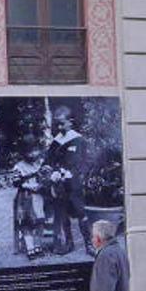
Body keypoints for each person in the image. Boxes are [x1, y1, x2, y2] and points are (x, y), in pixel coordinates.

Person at [46, 106, 93, 256]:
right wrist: (52, 172)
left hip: (74, 184)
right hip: (59, 185)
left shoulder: (78, 140)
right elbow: (48, 161)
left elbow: (85, 163)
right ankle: (69, 243)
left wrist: (73, 174)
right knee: (63, 214)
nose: (59, 127)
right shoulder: (56, 141)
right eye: (57, 124)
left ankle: (89, 244)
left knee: (80, 213)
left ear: (70, 122)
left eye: (62, 123)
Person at [12, 136, 48, 259]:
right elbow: (16, 183)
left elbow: (45, 178)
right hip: (25, 197)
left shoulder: (40, 164)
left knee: (39, 221)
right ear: (24, 152)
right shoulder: (19, 166)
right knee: (27, 222)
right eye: (30, 151)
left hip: (39, 196)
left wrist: (43, 183)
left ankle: (38, 246)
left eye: (35, 150)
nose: (33, 154)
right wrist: (28, 185)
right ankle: (30, 248)